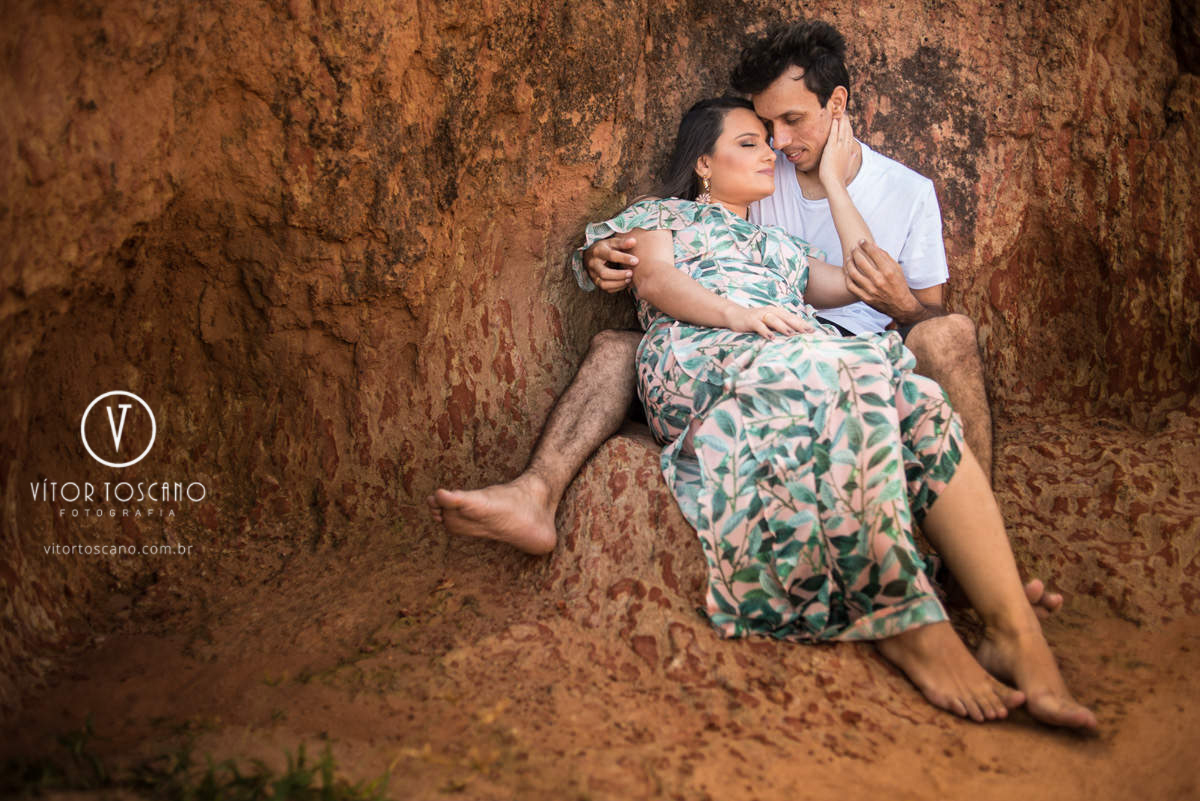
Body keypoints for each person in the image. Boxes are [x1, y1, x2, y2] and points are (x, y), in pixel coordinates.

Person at [439, 95, 1096, 730]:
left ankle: (1016, 632)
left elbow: (867, 277)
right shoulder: (664, 216)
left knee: (910, 392)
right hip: (699, 354)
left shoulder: (780, 249)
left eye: (770, 143)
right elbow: (655, 281)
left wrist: (837, 185)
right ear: (703, 163)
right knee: (829, 362)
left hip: (790, 357)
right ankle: (905, 620)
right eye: (749, 143)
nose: (770, 153)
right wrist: (744, 316)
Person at [429, 19, 1061, 617]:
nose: (779, 145)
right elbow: (669, 245)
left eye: (790, 122)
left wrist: (844, 204)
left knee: (948, 334)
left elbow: (916, 311)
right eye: (764, 128)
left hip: (834, 334)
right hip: (737, 333)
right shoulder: (759, 177)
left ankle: (976, 561)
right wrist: (601, 255)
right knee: (617, 344)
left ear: (836, 106)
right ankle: (535, 491)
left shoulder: (906, 193)